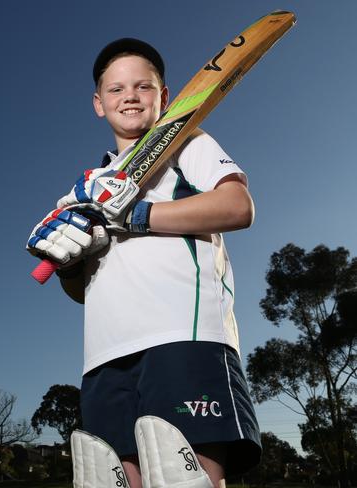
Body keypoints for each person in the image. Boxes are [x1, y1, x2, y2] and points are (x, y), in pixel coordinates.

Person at [27, 38, 261, 488]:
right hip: (104, 354)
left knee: (186, 478)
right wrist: (70, 262)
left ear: (165, 97)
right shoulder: (86, 190)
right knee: (118, 480)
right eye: (115, 89)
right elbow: (79, 291)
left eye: (142, 86)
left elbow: (238, 207)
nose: (129, 96)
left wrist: (138, 216)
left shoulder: (187, 144)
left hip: (183, 336)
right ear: (99, 104)